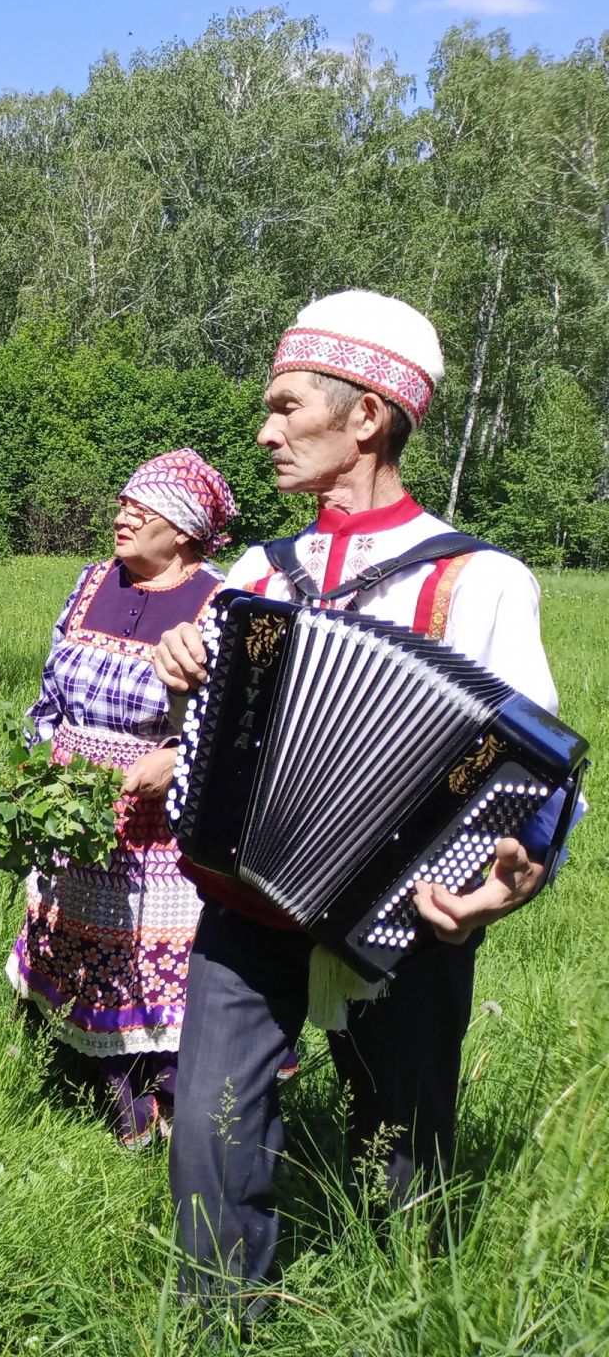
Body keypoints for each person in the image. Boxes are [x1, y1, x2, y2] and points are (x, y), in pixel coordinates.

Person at [150, 290, 567, 1314]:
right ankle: (216, 1323)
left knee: (403, 1143)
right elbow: (210, 745)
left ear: (368, 416)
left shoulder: (478, 579)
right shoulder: (260, 569)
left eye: (289, 406)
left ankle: (410, 1313)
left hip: (410, 906)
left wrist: (508, 882)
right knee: (208, 1128)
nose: (266, 431)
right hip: (250, 898)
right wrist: (181, 681)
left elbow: (534, 765)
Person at [6, 450, 237, 1148]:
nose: (122, 516)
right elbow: (50, 693)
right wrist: (33, 766)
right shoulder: (89, 584)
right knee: (71, 936)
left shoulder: (219, 603)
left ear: (187, 530)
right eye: (123, 505)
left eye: (144, 509)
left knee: (147, 958)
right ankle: (86, 1074)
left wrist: (178, 755)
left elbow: (233, 720)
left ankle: (158, 1108)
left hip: (158, 822)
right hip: (69, 802)